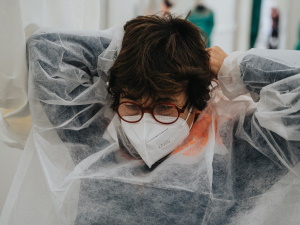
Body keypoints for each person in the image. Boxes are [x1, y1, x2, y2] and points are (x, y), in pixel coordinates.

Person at [2, 13, 300, 225]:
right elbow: (47, 48)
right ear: (116, 100)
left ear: (196, 105)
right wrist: (134, 52)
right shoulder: (94, 136)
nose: (146, 123)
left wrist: (232, 68)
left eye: (164, 108)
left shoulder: (239, 151)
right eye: (132, 106)